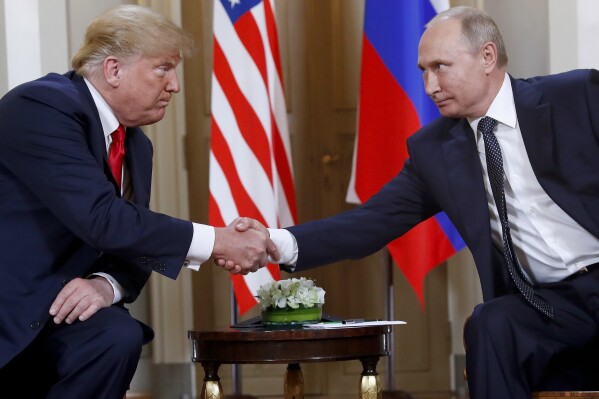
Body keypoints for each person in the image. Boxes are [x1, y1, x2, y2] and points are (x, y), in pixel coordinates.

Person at [226, 6, 599, 399]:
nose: (429, 86)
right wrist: (274, 242)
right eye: (423, 70)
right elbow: (372, 222)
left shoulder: (576, 97)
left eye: (440, 67)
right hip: (549, 304)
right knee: (490, 323)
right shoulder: (435, 151)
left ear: (487, 57)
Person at [0, 5, 277, 399]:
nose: (175, 85)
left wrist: (107, 286)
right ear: (113, 70)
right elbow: (104, 219)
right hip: (10, 306)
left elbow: (133, 238)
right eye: (163, 68)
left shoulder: (136, 145)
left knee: (116, 335)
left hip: (60, 310)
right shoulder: (42, 107)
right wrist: (218, 240)